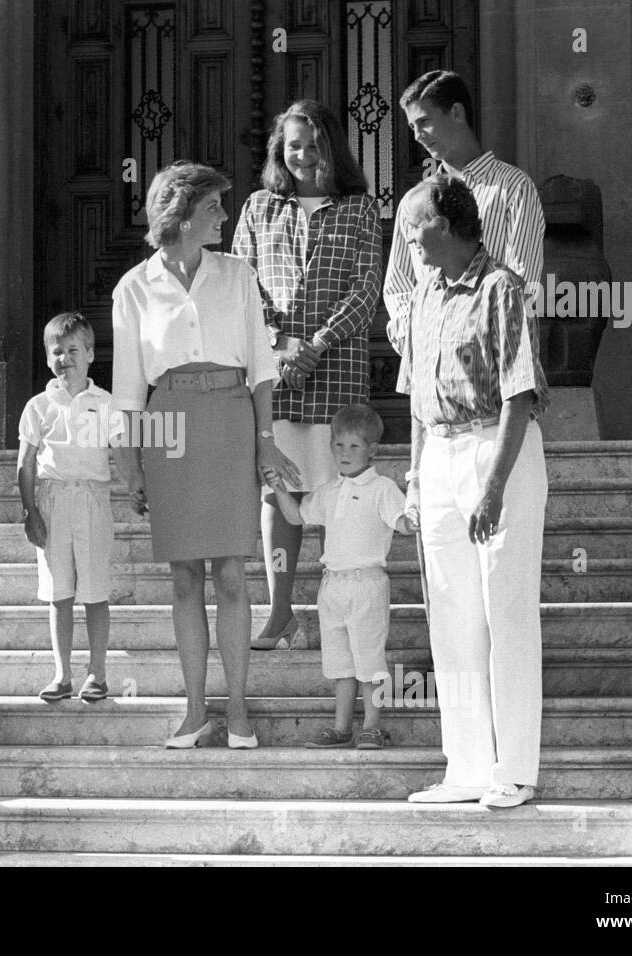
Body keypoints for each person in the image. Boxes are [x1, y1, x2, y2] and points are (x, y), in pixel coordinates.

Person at [111, 161, 299, 750]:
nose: (224, 214)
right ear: (184, 213)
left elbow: (263, 367)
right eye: (215, 206)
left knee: (231, 575)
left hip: (228, 417)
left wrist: (265, 439)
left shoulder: (238, 275)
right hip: (168, 423)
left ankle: (238, 708)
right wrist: (128, 458)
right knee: (185, 577)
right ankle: (195, 709)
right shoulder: (134, 287)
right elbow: (126, 385)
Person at [393, 175, 550, 808]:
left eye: (415, 226)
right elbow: (415, 399)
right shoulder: (423, 295)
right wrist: (413, 477)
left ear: (451, 224)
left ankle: (513, 771)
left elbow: (521, 393)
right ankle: (465, 768)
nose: (407, 240)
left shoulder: (501, 287)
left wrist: (493, 487)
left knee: (505, 610)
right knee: (452, 618)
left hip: (497, 452)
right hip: (439, 455)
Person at [232, 99, 382, 651]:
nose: (302, 155)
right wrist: (278, 343)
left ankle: (340, 610)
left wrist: (315, 345)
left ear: (333, 147)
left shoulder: (360, 210)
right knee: (279, 494)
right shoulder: (257, 209)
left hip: (337, 371)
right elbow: (242, 285)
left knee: (341, 493)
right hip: (277, 377)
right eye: (292, 144)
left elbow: (367, 290)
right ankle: (280, 612)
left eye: (313, 144)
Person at [268, 405, 415, 749]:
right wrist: (277, 487)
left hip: (367, 584)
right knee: (340, 662)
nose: (344, 454)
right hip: (332, 584)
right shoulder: (328, 490)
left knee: (369, 659)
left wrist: (418, 515)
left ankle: (373, 725)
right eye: (338, 446)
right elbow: (294, 516)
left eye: (354, 446)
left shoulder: (382, 488)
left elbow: (403, 523)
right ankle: (341, 726)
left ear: (372, 450)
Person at [382, 70, 544, 361]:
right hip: (429, 361)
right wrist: (416, 338)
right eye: (412, 126)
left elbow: (524, 278)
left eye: (424, 122)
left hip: (491, 357)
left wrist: (484, 339)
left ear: (456, 112)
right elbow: (399, 285)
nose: (417, 135)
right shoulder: (413, 202)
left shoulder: (513, 187)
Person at [18, 312, 123, 704]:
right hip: (53, 499)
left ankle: (97, 672)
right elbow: (26, 462)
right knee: (59, 592)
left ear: (91, 354)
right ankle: (62, 673)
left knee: (95, 590)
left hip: (93, 499)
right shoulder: (39, 406)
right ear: (48, 359)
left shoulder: (106, 403)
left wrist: (139, 486)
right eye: (57, 352)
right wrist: (31, 511)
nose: (65, 358)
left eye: (73, 350)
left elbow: (124, 449)